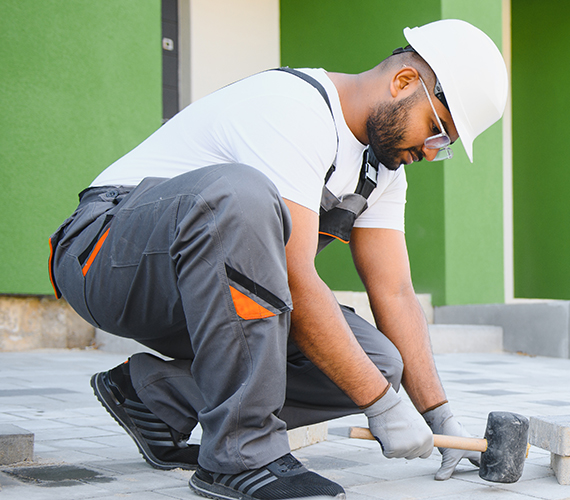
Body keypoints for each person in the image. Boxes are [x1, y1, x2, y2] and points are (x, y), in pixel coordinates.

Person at [46, 19, 508, 500]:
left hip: (198, 292)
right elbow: (295, 275)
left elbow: (394, 291)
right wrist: (381, 406)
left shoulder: (383, 170)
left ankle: (156, 395)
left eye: (445, 145)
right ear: (405, 82)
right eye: (437, 131)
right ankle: (240, 455)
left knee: (378, 363)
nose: (433, 153)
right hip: (105, 256)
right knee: (242, 195)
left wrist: (438, 415)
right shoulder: (293, 108)